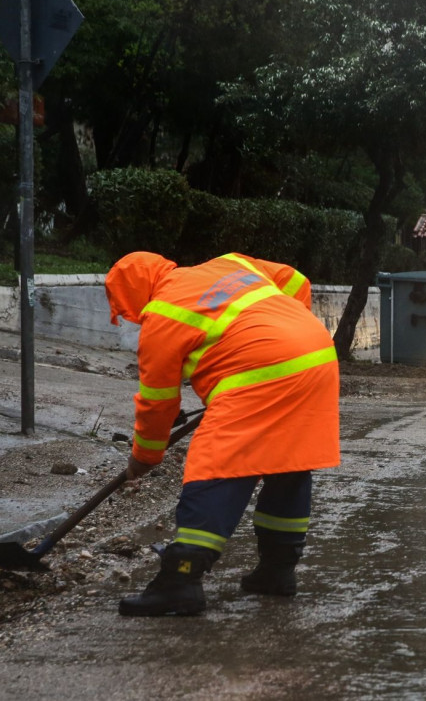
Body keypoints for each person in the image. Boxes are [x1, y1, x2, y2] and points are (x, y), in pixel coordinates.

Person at [105, 251, 340, 616]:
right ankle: (277, 572)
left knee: (216, 466)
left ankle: (180, 581)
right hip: (315, 354)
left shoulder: (162, 314)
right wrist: (284, 331)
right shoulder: (229, 263)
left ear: (132, 295)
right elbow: (296, 281)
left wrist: (144, 457)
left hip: (262, 370)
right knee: (288, 463)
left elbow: (157, 403)